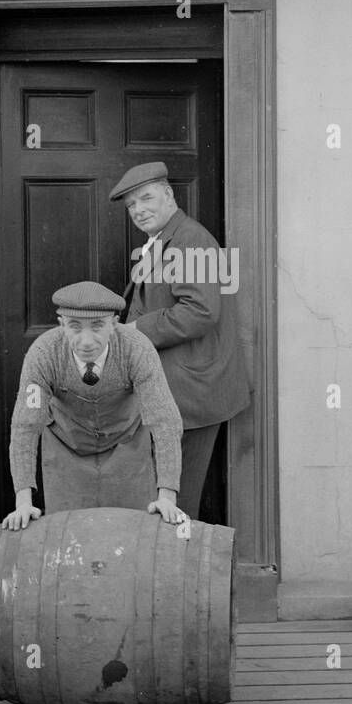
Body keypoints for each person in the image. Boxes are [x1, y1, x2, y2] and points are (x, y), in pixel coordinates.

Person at [108, 161, 251, 519]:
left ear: (169, 195)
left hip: (192, 395)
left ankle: (176, 570)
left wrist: (136, 331)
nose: (139, 210)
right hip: (179, 392)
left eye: (146, 198)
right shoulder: (163, 241)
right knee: (168, 495)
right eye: (131, 205)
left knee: (177, 501)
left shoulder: (191, 238)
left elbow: (200, 312)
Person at [4, 281, 184, 531]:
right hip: (66, 451)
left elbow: (165, 420)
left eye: (97, 326)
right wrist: (23, 500)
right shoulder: (43, 353)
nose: (86, 341)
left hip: (127, 449)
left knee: (131, 536)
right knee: (69, 539)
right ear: (61, 325)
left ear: (114, 324)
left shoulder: (137, 348)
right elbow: (26, 425)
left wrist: (167, 496)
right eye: (75, 327)